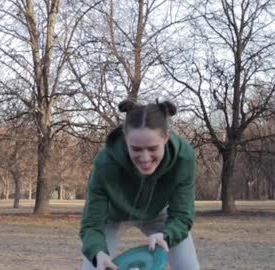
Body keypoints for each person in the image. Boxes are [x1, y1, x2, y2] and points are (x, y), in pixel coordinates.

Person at [79, 99, 200, 270]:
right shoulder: (105, 164)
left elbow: (182, 215)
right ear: (125, 138)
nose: (144, 158)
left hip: (159, 214)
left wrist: (167, 235)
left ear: (166, 137)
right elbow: (91, 223)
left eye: (152, 149)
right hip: (113, 215)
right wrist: (97, 252)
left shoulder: (183, 158)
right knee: (94, 265)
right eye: (136, 149)